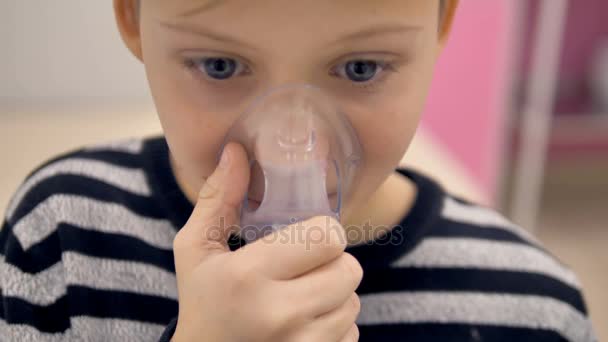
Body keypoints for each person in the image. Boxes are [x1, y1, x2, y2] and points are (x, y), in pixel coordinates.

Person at [0, 1, 597, 341]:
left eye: (361, 68)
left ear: (441, 21)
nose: (291, 153)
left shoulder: (532, 309)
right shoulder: (61, 238)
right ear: (133, 18)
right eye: (220, 64)